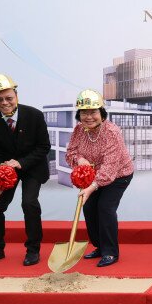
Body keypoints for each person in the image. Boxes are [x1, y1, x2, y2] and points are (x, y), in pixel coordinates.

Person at [0, 73, 50, 267]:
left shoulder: (34, 115)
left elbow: (44, 147)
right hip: (5, 169)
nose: (4, 103)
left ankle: (33, 249)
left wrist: (20, 163)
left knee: (29, 203)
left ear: (16, 95)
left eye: (8, 98)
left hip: (32, 166)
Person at [65, 89, 134, 268]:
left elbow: (110, 168)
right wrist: (80, 160)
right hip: (94, 175)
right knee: (89, 208)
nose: (89, 117)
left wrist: (90, 187)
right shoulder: (79, 129)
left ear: (101, 113)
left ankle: (110, 252)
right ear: (79, 114)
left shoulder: (112, 132)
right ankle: (100, 247)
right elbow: (71, 152)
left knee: (105, 208)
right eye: (84, 112)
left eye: (93, 112)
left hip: (119, 175)